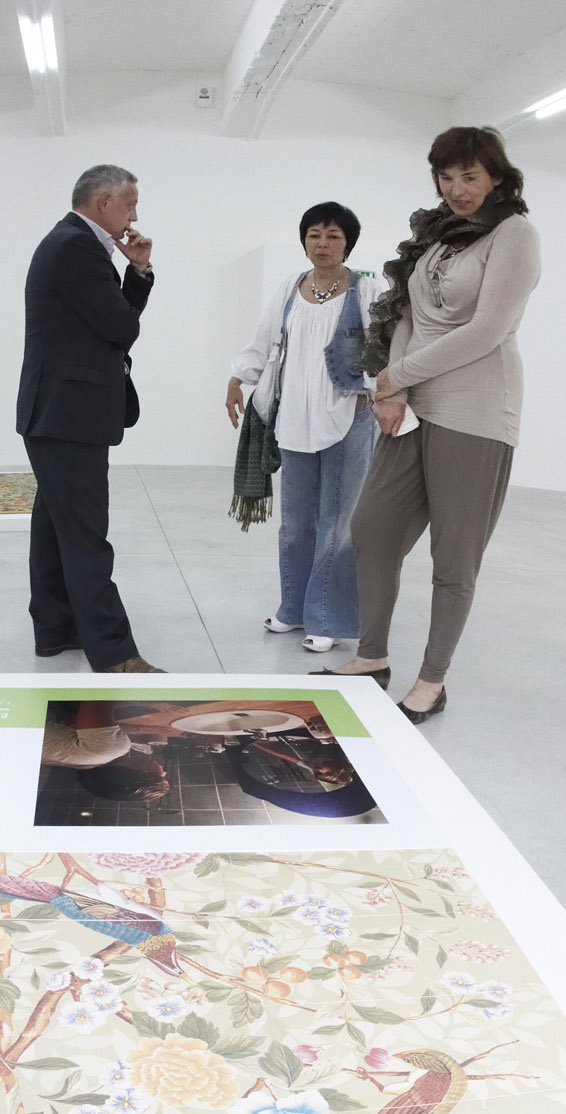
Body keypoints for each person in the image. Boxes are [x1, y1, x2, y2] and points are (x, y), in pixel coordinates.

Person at [320, 127, 541, 722]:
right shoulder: (437, 235)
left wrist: (396, 376)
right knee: (372, 528)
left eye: (470, 176)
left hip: (477, 408)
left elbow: (488, 330)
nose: (457, 189)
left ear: (496, 177)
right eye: (446, 177)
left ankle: (432, 681)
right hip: (416, 404)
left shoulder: (514, 234)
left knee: (454, 554)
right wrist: (394, 387)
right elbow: (407, 315)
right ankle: (372, 656)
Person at [17, 164, 162, 673]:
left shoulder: (69, 242)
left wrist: (136, 271)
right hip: (68, 416)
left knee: (55, 528)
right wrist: (136, 275)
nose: (134, 217)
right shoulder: (76, 246)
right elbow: (120, 325)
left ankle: (56, 629)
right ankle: (114, 653)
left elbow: (109, 321)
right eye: (130, 205)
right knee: (85, 535)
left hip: (58, 414)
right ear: (104, 202)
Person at [226, 202, 377, 653]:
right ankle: (293, 608)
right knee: (294, 522)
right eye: (314, 235)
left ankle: (326, 617)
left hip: (348, 418)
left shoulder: (365, 290)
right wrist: (238, 378)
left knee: (339, 523)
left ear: (347, 243)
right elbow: (264, 340)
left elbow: (383, 350)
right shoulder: (290, 288)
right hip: (294, 420)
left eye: (333, 236)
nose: (322, 244)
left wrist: (375, 391)